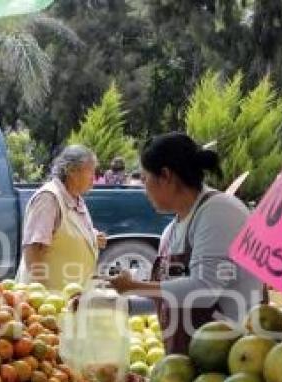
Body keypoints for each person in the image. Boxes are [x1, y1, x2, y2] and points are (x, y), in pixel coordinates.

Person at [107, 132, 261, 354]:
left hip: (232, 355)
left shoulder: (219, 212)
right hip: (191, 360)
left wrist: (135, 286)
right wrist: (113, 303)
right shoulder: (172, 230)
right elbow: (169, 297)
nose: (144, 189)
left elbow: (205, 290)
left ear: (166, 176)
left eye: (145, 179)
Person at [16, 145, 106, 290]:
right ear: (72, 171)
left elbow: (64, 232)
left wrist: (91, 238)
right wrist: (43, 295)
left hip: (69, 298)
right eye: (90, 171)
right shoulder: (48, 199)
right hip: (48, 302)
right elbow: (33, 252)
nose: (93, 178)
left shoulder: (75, 198)